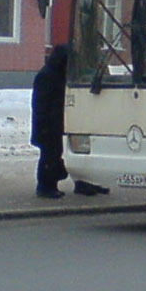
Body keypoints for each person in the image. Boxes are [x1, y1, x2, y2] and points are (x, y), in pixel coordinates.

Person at [30, 45, 109, 198]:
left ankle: (82, 182)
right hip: (48, 123)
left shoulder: (56, 73)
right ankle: (46, 187)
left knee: (74, 153)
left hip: (57, 122)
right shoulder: (49, 76)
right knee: (50, 154)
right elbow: (47, 103)